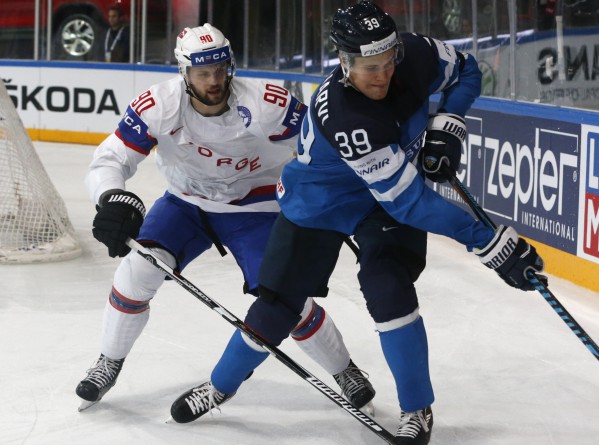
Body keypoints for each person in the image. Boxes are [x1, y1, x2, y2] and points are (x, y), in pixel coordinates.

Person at [170, 3, 545, 445]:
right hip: (321, 200)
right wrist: (489, 243)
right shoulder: (349, 118)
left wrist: (449, 123)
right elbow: (410, 204)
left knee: (389, 288)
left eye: (388, 64)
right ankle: (219, 387)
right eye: (370, 68)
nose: (383, 76)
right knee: (276, 306)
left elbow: (466, 71)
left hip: (383, 199)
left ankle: (416, 407)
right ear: (344, 62)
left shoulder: (416, 53)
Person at [75, 23, 375, 417]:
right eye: (202, 73)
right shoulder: (157, 105)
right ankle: (109, 361)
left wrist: (332, 199)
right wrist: (112, 197)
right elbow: (110, 159)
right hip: (185, 205)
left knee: (287, 300)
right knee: (137, 272)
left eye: (220, 69)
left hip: (256, 206)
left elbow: (319, 147)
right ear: (183, 72)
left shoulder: (268, 102)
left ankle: (344, 369)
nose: (214, 80)